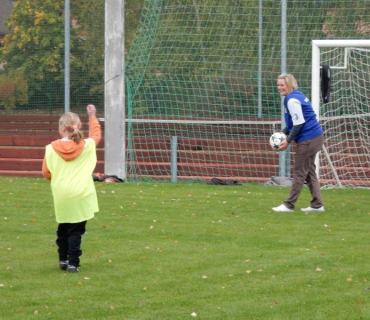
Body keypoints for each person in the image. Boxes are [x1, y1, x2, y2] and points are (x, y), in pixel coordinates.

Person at [42, 105, 101, 272]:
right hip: (81, 193)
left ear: (61, 128)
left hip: (61, 193)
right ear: (78, 127)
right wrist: (93, 116)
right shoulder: (87, 145)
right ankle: (73, 263)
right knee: (76, 230)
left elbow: (46, 173)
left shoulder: (50, 149)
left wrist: (60, 177)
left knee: (63, 226)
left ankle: (63, 259)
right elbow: (96, 135)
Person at [272, 74, 325, 213]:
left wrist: (287, 141)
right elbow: (293, 123)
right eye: (278, 85)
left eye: (282, 85)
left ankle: (289, 205)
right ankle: (317, 205)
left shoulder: (292, 100)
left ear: (289, 84)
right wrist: (283, 133)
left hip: (309, 138)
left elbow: (299, 122)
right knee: (309, 172)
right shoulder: (296, 95)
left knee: (300, 172)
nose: (279, 87)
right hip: (315, 137)